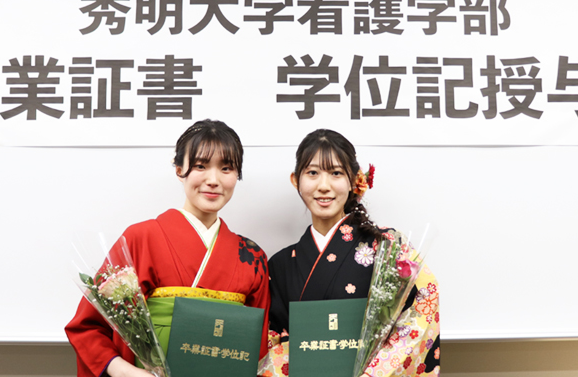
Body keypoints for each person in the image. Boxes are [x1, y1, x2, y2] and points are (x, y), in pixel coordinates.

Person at [66, 119, 270, 377]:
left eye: (226, 168)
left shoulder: (252, 256)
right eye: (200, 166)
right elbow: (88, 327)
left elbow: (257, 348)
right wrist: (126, 372)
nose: (213, 180)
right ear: (179, 169)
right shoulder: (141, 238)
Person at [259, 129, 440, 377]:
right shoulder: (280, 265)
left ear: (355, 180)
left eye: (336, 173)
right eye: (312, 173)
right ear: (296, 180)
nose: (324, 186)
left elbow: (421, 309)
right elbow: (272, 340)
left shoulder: (387, 248)